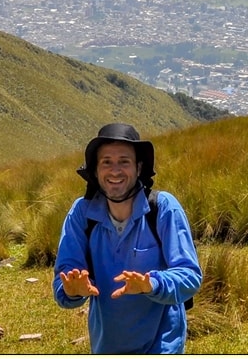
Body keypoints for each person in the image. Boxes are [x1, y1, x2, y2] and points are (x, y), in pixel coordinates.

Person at [53, 123, 202, 354]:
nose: (115, 171)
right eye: (107, 162)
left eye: (124, 161)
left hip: (162, 346)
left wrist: (151, 284)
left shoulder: (163, 209)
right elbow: (64, 279)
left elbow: (190, 277)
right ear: (95, 170)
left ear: (139, 167)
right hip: (107, 347)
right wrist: (72, 291)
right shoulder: (82, 214)